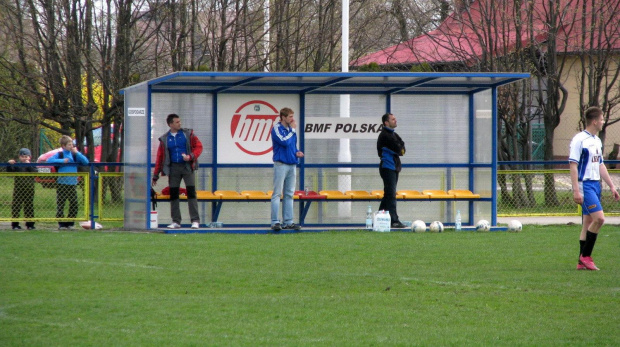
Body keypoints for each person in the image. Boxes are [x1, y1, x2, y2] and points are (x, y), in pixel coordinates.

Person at [569, 106, 619, 270]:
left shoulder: (597, 141)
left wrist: (611, 186)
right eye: (602, 119)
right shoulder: (579, 140)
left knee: (588, 223)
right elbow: (573, 165)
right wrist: (576, 190)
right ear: (595, 121)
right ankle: (586, 256)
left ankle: (580, 262)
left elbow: (600, 164)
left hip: (595, 185)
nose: (603, 122)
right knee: (600, 219)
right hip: (585, 185)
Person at [152, 114, 203, 229]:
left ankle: (195, 220)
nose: (180, 123)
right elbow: (160, 157)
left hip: (187, 167)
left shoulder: (188, 134)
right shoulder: (165, 138)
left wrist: (190, 156)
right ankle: (176, 221)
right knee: (174, 194)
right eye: (177, 122)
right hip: (173, 168)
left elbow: (199, 147)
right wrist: (156, 175)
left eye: (180, 121)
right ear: (170, 124)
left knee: (191, 193)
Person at [270, 107, 304, 231]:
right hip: (281, 164)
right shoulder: (276, 128)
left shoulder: (291, 130)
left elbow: (292, 145)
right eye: (290, 116)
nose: (292, 119)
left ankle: (288, 221)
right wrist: (293, 130)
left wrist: (297, 152)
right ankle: (275, 222)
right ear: (283, 117)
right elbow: (284, 142)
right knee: (277, 193)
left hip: (292, 164)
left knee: (289, 194)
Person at [46, 136, 90, 230]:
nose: (71, 146)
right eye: (69, 144)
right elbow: (49, 160)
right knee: (61, 204)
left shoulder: (74, 155)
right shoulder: (60, 154)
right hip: (61, 183)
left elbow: (86, 162)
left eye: (72, 144)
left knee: (74, 204)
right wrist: (62, 161)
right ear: (63, 146)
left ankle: (70, 223)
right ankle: (61, 224)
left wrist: (77, 153)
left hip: (72, 184)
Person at [377, 113, 406, 229]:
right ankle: (394, 220)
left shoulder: (394, 134)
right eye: (393, 119)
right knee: (391, 194)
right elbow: (399, 149)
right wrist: (400, 149)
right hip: (387, 167)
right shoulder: (385, 135)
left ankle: (379, 217)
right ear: (386, 123)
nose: (395, 120)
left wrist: (400, 149)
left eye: (395, 118)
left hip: (394, 167)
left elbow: (403, 148)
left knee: (388, 195)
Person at [7, 148, 37, 230]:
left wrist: (28, 165)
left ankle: (30, 224)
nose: (24, 158)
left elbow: (35, 173)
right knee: (16, 207)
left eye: (26, 156)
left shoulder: (32, 165)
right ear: (19, 157)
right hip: (18, 190)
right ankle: (15, 224)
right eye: (22, 156)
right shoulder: (17, 165)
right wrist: (9, 164)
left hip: (29, 190)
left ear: (30, 157)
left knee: (29, 207)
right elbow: (9, 173)